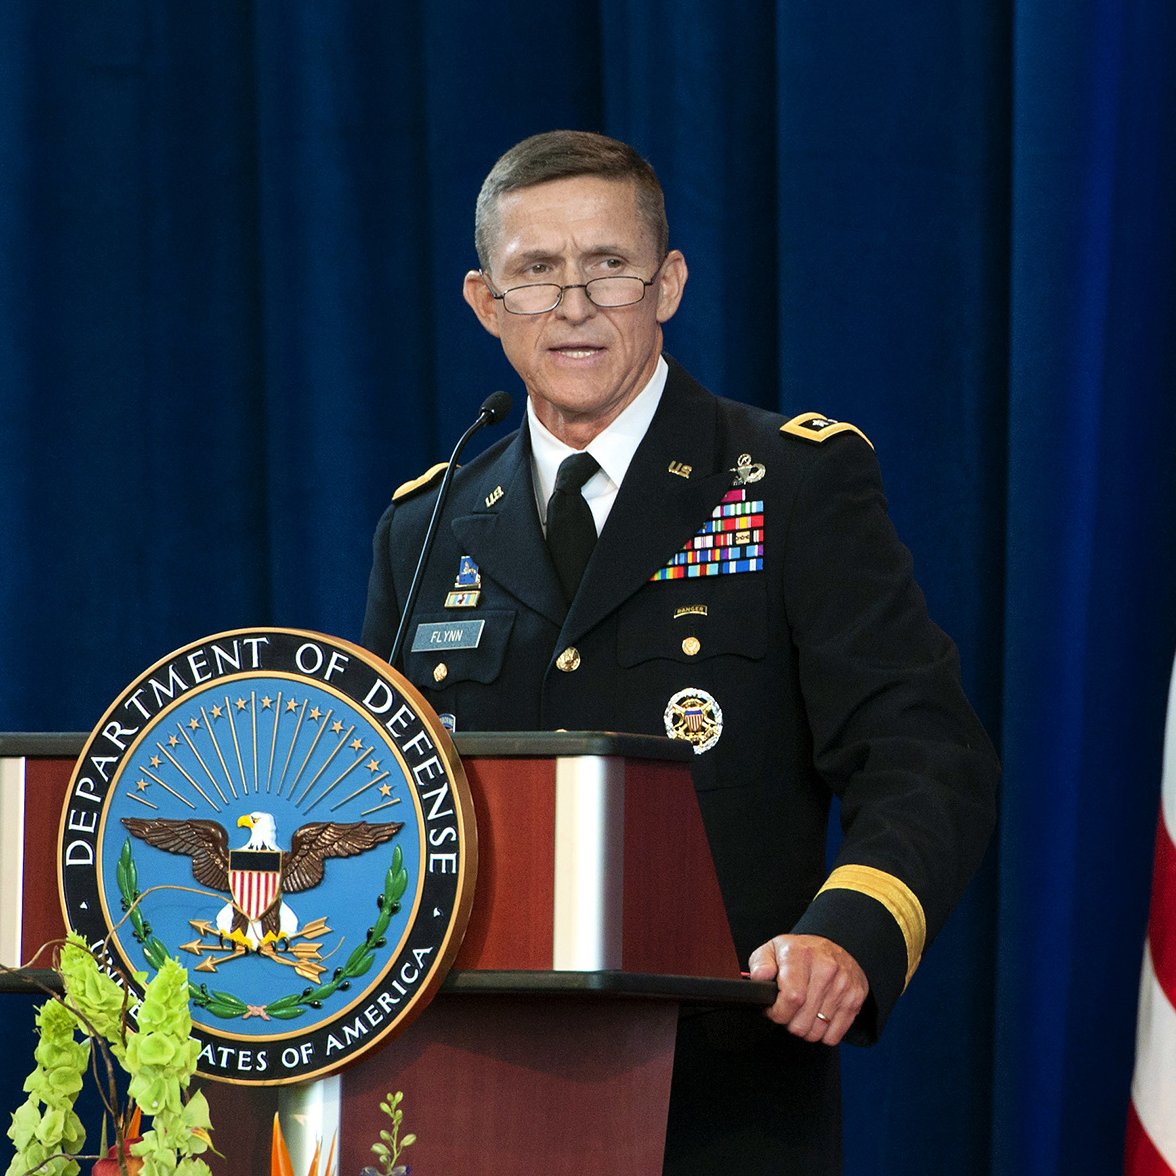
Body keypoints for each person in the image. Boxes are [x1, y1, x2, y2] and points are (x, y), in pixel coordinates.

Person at [362, 130, 998, 1174]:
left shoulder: (791, 486)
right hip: (463, 1098)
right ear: (487, 303)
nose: (573, 303)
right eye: (536, 272)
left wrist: (850, 929)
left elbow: (926, 754)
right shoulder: (425, 527)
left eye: (608, 266)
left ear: (668, 284)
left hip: (722, 1105)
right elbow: (380, 796)